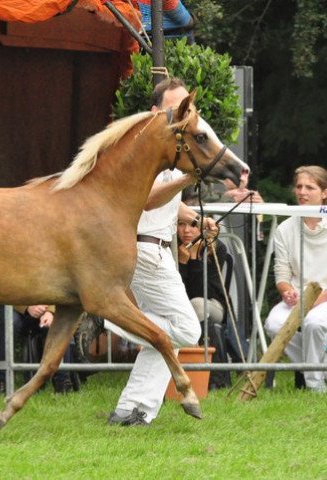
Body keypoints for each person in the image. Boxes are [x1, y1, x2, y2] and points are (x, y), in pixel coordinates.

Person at [107, 77, 218, 427]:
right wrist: (188, 179)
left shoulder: (172, 146)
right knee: (187, 329)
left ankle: (133, 410)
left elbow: (164, 205)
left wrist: (195, 217)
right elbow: (148, 199)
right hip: (145, 250)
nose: (184, 112)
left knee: (165, 335)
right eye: (175, 107)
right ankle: (111, 315)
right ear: (155, 112)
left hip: (153, 249)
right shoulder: (147, 148)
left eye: (187, 104)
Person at [264, 165, 327, 392]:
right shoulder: (285, 228)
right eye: (299, 186)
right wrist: (286, 291)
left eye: (309, 187)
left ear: (324, 193)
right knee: (274, 324)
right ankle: (320, 366)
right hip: (298, 296)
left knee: (314, 323)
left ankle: (315, 385)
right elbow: (281, 273)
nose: (302, 191)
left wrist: (315, 300)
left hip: (325, 297)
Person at [177, 219, 231, 389]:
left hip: (213, 304)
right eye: (181, 224)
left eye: (193, 225)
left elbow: (201, 292)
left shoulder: (216, 247)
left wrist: (192, 259)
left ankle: (214, 376)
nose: (187, 230)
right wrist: (181, 263)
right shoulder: (170, 247)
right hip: (180, 305)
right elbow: (176, 293)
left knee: (197, 305)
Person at [0, 304, 76, 394]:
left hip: (46, 308)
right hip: (12, 307)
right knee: (11, 321)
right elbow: (3, 291)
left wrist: (50, 311)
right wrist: (26, 307)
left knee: (59, 321)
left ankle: (62, 382)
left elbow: (60, 291)